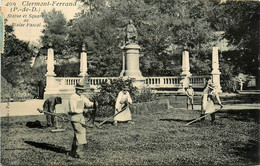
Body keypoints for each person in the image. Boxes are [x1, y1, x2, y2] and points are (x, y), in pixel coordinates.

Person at [68, 82, 95, 158]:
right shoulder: (73, 97)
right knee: (80, 133)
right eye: (79, 89)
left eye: (82, 90)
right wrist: (84, 110)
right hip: (75, 117)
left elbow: (88, 103)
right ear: (76, 89)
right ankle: (79, 153)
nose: (80, 91)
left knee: (78, 134)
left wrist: (95, 103)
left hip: (81, 117)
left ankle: (73, 152)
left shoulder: (82, 97)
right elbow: (73, 109)